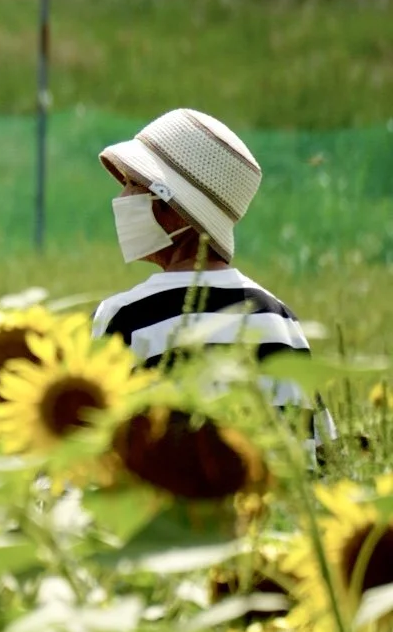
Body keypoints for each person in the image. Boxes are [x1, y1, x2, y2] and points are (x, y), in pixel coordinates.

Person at [91, 108, 314, 408]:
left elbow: (94, 430)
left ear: (172, 208)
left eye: (133, 185)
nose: (121, 198)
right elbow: (311, 433)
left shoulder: (123, 317)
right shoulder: (281, 321)